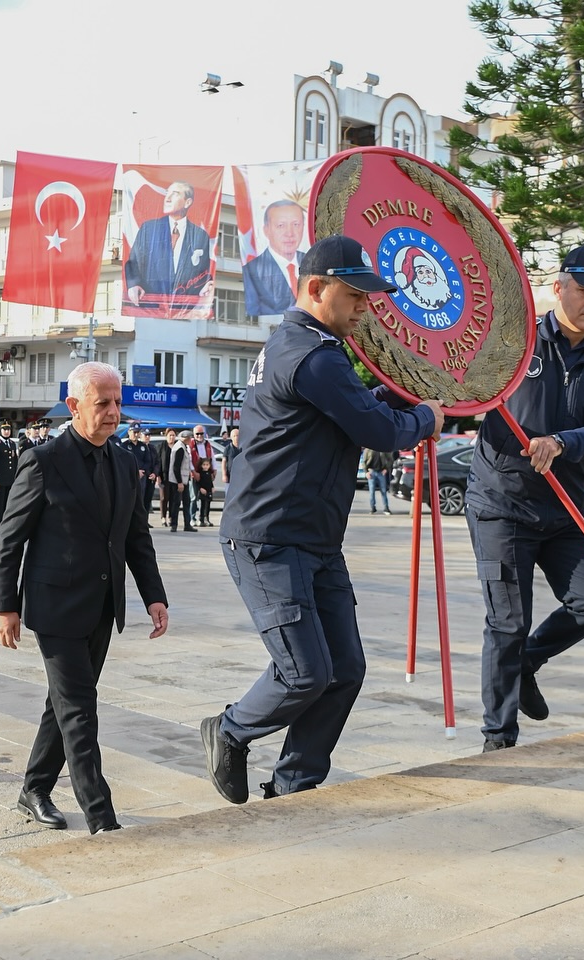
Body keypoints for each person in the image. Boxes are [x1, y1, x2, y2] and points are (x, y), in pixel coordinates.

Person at [201, 234, 442, 804]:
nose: (365, 308)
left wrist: (403, 397)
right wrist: (426, 417)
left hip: (315, 541)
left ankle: (294, 785)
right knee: (304, 671)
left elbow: (360, 407)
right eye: (355, 296)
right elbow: (379, 430)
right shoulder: (311, 354)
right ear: (316, 289)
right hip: (269, 539)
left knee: (345, 669)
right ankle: (230, 729)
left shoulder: (311, 350)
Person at [465, 243, 584, 753]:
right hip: (502, 503)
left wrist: (562, 443)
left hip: (566, 507)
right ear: (558, 288)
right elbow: (464, 383)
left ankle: (526, 663)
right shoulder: (513, 342)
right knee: (508, 622)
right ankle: (499, 740)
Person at [0, 361, 169, 834]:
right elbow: (11, 539)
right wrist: (4, 607)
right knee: (79, 710)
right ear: (73, 406)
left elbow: (136, 536)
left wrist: (154, 596)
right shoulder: (44, 460)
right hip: (55, 607)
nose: (113, 413)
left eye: (118, 402)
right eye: (102, 403)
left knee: (64, 703)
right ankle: (101, 817)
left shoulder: (124, 462)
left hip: (103, 605)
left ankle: (34, 788)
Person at [124, 181, 214, 318]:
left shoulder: (200, 235)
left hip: (184, 312)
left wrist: (205, 286)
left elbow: (203, 272)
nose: (167, 198)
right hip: (150, 308)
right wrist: (133, 284)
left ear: (187, 202)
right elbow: (133, 262)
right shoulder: (149, 229)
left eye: (175, 194)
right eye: (167, 193)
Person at [242, 199, 306, 316]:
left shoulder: (313, 262)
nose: (289, 233)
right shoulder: (251, 270)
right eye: (281, 226)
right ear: (266, 230)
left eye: (296, 225)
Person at [0, 419, 20, 535]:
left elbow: (14, 463)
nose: (7, 432)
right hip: (0, 480)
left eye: (8, 429)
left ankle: (7, 528)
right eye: (4, 429)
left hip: (10, 479)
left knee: (9, 506)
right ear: (0, 430)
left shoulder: (12, 443)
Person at [162, 428, 194, 532]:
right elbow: (176, 467)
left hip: (183, 480)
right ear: (186, 438)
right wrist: (179, 482)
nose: (191, 440)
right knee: (176, 503)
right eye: (190, 438)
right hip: (179, 481)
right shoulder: (180, 448)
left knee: (186, 502)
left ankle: (187, 524)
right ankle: (174, 524)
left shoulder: (183, 447)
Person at [364, 447, 394, 515]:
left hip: (381, 472)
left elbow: (390, 459)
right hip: (371, 472)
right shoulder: (368, 449)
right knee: (372, 492)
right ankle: (372, 508)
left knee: (383, 491)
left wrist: (386, 469)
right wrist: (366, 472)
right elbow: (364, 461)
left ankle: (386, 508)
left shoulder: (383, 448)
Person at [195, 457, 215, 527]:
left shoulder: (209, 473)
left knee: (208, 506)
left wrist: (212, 487)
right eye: (204, 465)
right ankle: (201, 519)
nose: (205, 466)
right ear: (201, 465)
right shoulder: (200, 473)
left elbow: (210, 482)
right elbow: (198, 482)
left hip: (209, 491)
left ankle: (207, 518)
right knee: (203, 506)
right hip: (203, 491)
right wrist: (200, 488)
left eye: (207, 465)